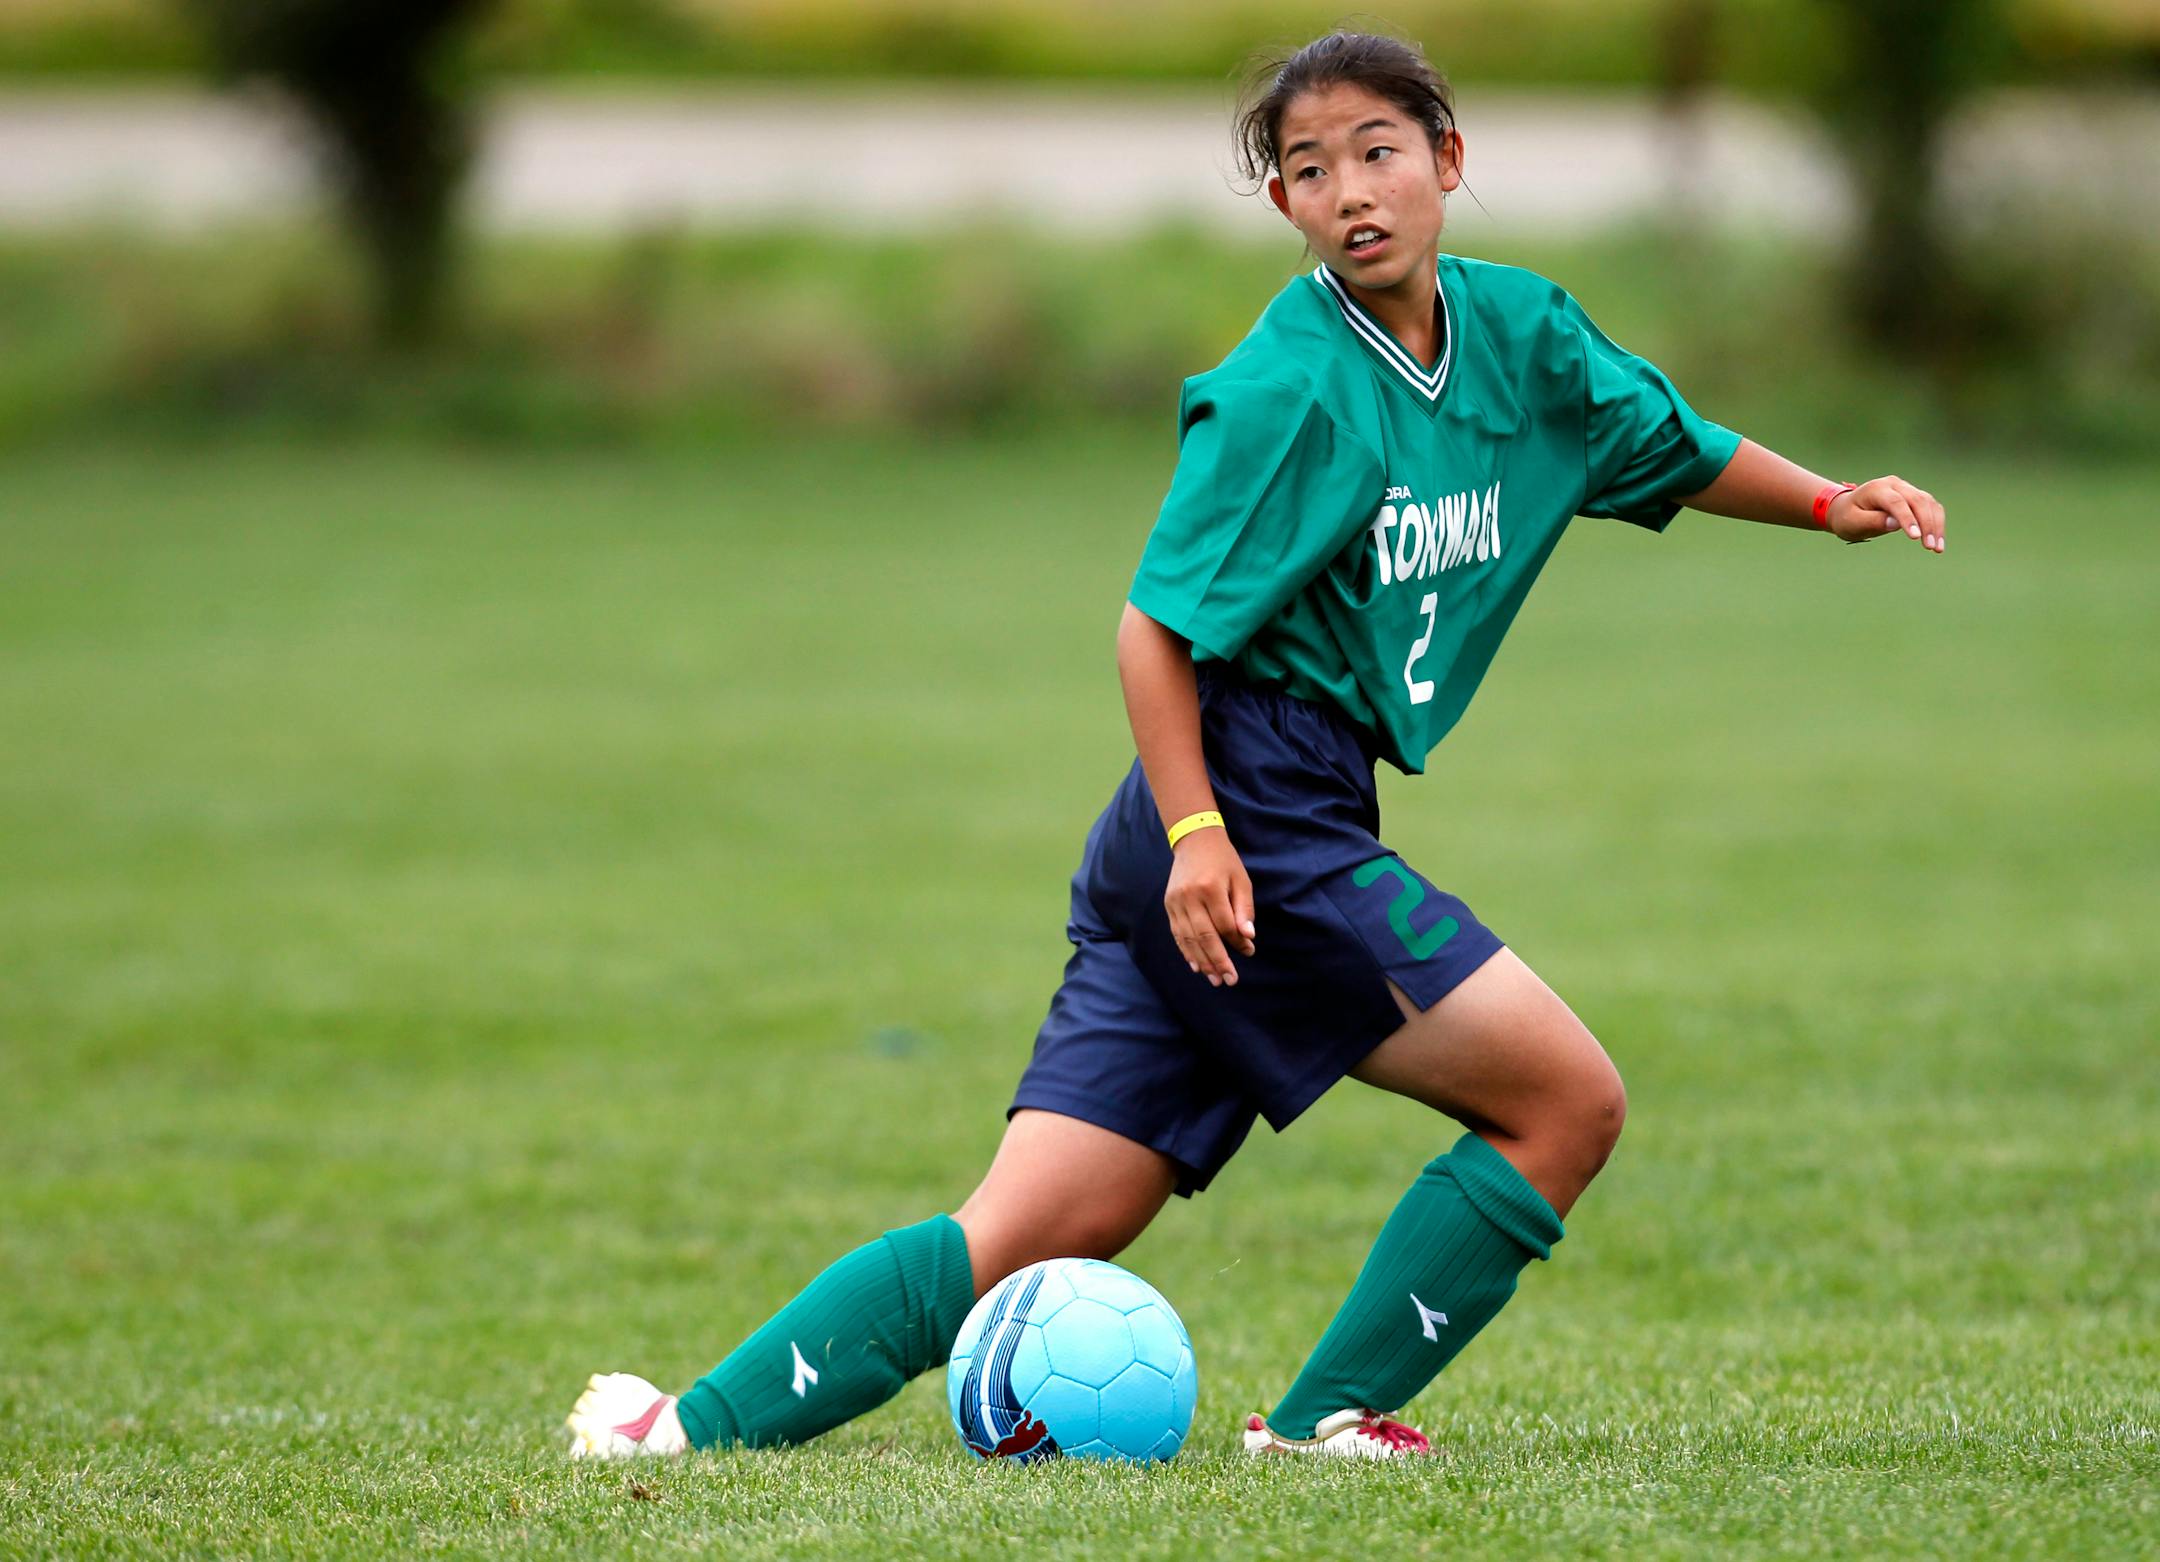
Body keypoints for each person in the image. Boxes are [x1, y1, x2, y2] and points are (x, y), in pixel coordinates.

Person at [565, 29, 1947, 1461]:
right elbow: (1152, 635)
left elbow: (1665, 441)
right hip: (1249, 820)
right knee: (1564, 1100)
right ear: (1283, 202)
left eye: (1378, 152)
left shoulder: (1525, 336)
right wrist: (1200, 835)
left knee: (1031, 1229)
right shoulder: (1289, 387)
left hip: (1239, 827)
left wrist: (1828, 501)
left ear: (1448, 160)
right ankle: (1320, 1423)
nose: (1351, 190)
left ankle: (678, 1431)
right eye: (1309, 168)